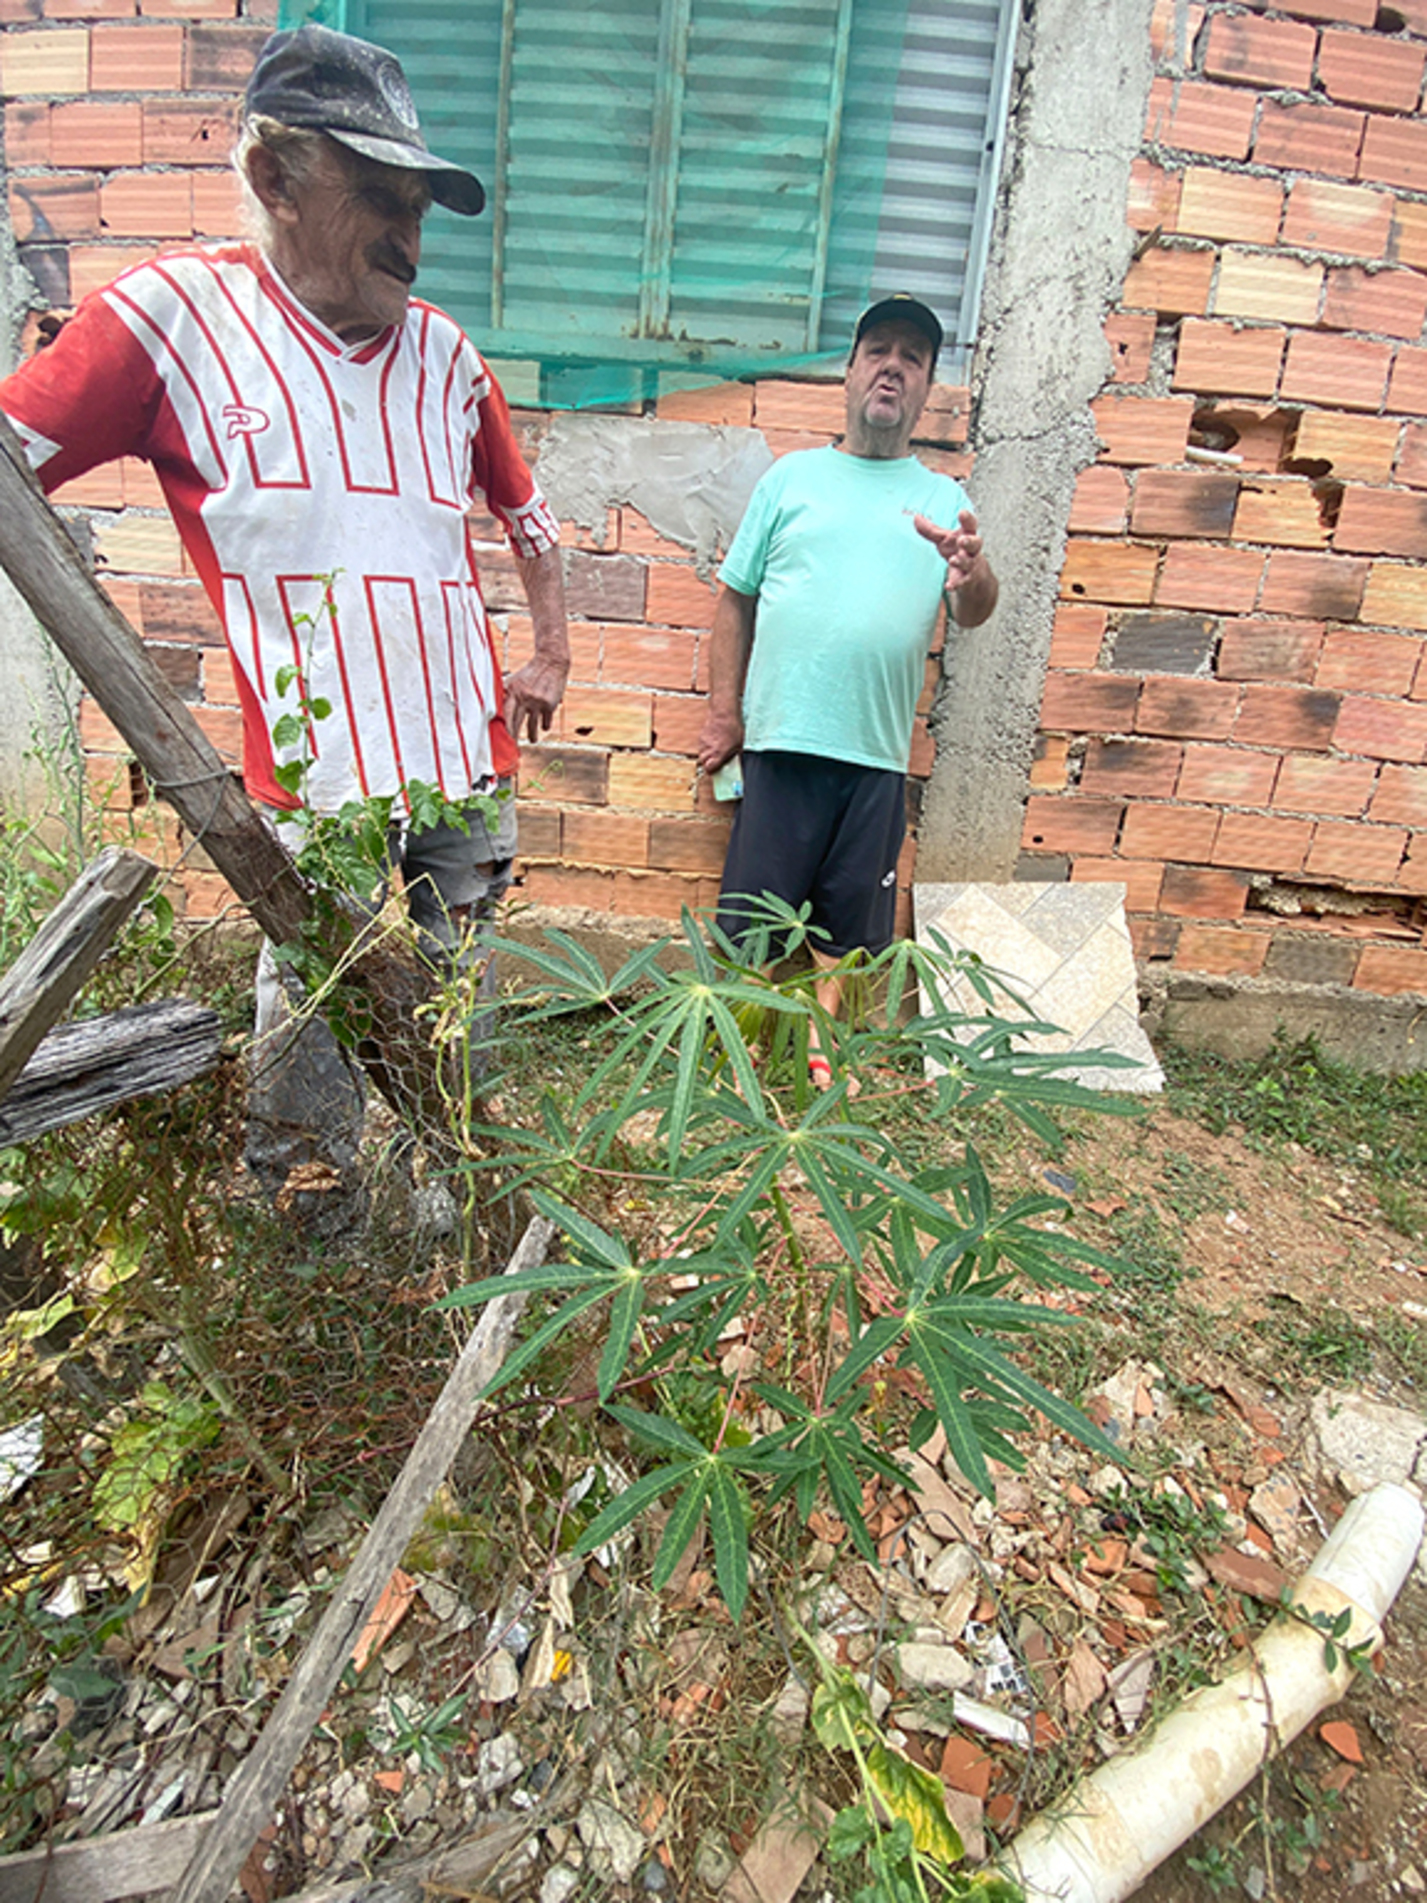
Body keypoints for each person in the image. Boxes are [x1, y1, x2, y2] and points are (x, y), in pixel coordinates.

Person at [0, 24, 570, 1216]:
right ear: (273, 176)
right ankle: (325, 1309)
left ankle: (455, 1262)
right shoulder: (174, 323)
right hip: (322, 801)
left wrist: (548, 648)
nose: (408, 240)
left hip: (468, 776)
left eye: (419, 206)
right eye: (377, 196)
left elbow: (533, 524)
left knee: (455, 1049)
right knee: (312, 1085)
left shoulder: (449, 361)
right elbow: (13, 464)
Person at [695, 293, 998, 1087]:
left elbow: (972, 607)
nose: (892, 366)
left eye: (913, 357)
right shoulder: (792, 478)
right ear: (851, 370)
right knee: (756, 924)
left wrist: (973, 569)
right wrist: (724, 713)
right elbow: (735, 597)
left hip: (874, 754)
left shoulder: (941, 500)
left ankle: (821, 1062)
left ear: (927, 386)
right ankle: (743, 1058)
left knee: (844, 927)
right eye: (878, 350)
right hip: (783, 741)